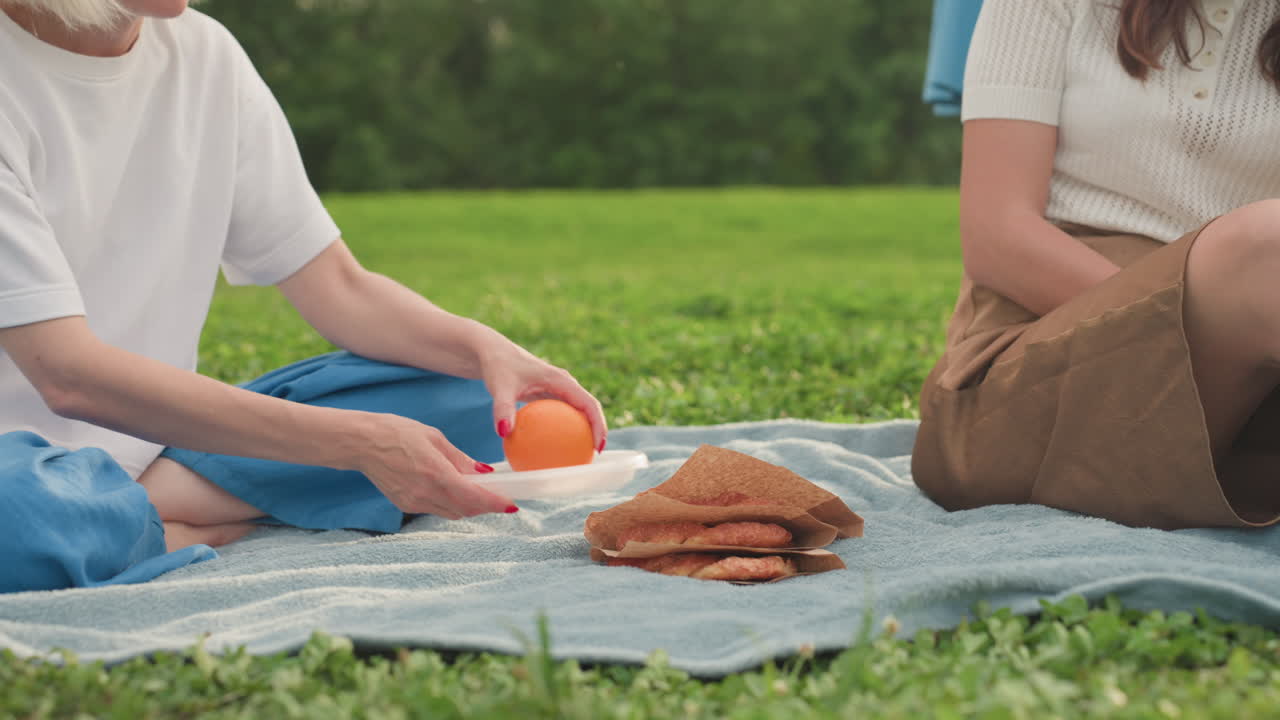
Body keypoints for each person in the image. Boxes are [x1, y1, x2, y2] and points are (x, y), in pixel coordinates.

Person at [0, 0, 607, 593]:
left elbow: (338, 287)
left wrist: (485, 351)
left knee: (473, 395)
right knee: (16, 517)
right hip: (17, 471)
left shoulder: (207, 56)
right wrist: (354, 443)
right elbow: (67, 373)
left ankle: (139, 510)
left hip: (164, 438)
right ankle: (167, 523)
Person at [912, 0, 1280, 530]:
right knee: (1264, 249)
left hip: (1244, 406)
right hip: (1028, 379)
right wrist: (1201, 318)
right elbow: (997, 235)